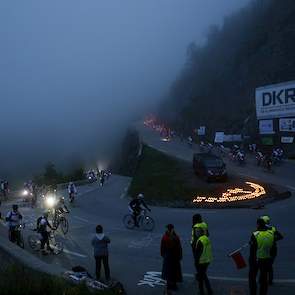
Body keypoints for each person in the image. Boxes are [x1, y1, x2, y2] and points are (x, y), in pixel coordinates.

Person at [249, 218, 274, 295]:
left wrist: (251, 260)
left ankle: (253, 293)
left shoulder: (255, 234)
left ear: (258, 225)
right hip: (266, 259)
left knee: (252, 278)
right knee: (264, 280)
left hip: (257, 259)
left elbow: (252, 250)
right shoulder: (271, 233)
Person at [260, 215, 283, 285]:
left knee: (263, 265)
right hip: (273, 249)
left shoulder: (260, 229)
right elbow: (281, 236)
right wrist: (273, 239)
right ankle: (270, 281)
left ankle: (262, 280)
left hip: (265, 250)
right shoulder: (272, 229)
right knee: (269, 265)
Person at [161, 224, 182, 293]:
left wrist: (163, 255)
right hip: (174, 256)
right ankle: (174, 285)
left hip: (168, 256)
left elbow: (162, 248)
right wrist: (180, 256)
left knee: (168, 271)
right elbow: (179, 248)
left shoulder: (165, 237)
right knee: (174, 271)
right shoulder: (176, 237)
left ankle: (169, 285)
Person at [194, 227, 213, 295]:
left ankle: (202, 292)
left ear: (199, 233)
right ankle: (209, 290)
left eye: (196, 232)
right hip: (207, 260)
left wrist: (196, 263)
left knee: (201, 278)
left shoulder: (199, 241)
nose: (195, 233)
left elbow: (197, 254)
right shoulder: (206, 238)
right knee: (204, 276)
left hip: (201, 262)